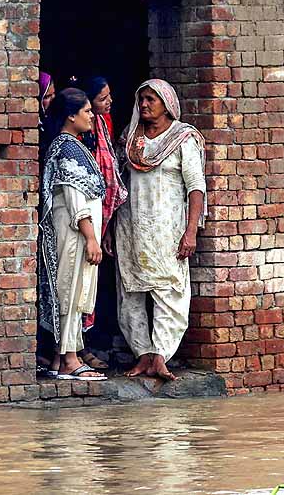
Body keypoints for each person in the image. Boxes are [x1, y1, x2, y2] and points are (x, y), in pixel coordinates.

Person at [114, 79, 206, 381]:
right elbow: (117, 183)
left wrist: (190, 231)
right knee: (131, 291)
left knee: (170, 291)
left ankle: (161, 355)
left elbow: (195, 188)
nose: (144, 105)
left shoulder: (182, 138)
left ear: (166, 104)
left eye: (151, 99)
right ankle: (142, 355)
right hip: (132, 225)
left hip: (168, 229)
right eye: (141, 99)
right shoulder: (130, 139)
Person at [38, 88, 108, 381]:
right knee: (70, 290)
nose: (93, 116)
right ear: (71, 115)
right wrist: (91, 237)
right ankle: (69, 359)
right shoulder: (66, 147)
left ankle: (59, 358)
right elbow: (75, 199)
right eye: (87, 111)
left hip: (76, 232)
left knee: (70, 289)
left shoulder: (72, 145)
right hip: (73, 232)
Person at [75, 78, 128, 367]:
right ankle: (78, 349)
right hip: (83, 221)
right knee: (80, 286)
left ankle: (97, 342)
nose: (108, 104)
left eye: (109, 97)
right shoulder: (79, 138)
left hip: (101, 217)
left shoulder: (104, 128)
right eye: (102, 99)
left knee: (97, 284)